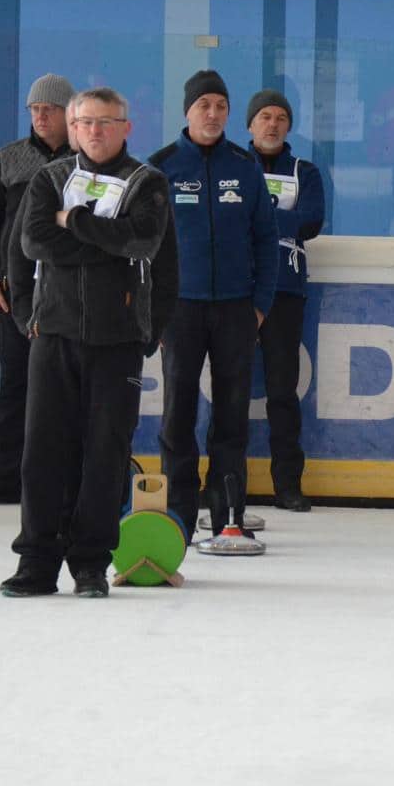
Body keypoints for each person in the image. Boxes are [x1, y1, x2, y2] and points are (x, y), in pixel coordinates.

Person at [3, 87, 178, 598]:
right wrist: (28, 316)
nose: (94, 131)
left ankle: (89, 565)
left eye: (105, 122)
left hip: (117, 340)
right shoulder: (50, 178)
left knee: (105, 453)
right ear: (73, 128)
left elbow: (145, 243)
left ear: (126, 127)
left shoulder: (148, 182)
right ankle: (36, 563)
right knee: (43, 453)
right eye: (84, 123)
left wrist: (75, 221)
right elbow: (32, 242)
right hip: (53, 335)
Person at [147, 70, 280, 541]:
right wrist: (155, 310)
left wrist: (259, 306)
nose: (213, 113)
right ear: (187, 111)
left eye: (221, 106)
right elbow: (142, 246)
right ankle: (178, 515)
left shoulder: (245, 166)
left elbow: (267, 240)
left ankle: (228, 514)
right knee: (177, 416)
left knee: (232, 416)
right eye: (204, 105)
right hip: (179, 311)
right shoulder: (161, 167)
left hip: (236, 311)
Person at [0, 72, 73, 505]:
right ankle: (8, 478)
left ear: (69, 113)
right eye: (35, 109)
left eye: (49, 109)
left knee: (67, 390)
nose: (41, 116)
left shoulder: (87, 161)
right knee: (16, 387)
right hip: (15, 298)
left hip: (71, 297)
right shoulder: (9, 159)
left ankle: (64, 480)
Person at [245, 88, 325, 512]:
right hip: (237, 289)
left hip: (286, 289)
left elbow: (310, 221)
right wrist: (280, 221)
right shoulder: (234, 166)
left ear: (289, 125)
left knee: (282, 390)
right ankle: (223, 481)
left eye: (280, 117)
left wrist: (254, 215)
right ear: (250, 124)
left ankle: (288, 484)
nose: (272, 124)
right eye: (264, 116)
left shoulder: (304, 171)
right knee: (230, 387)